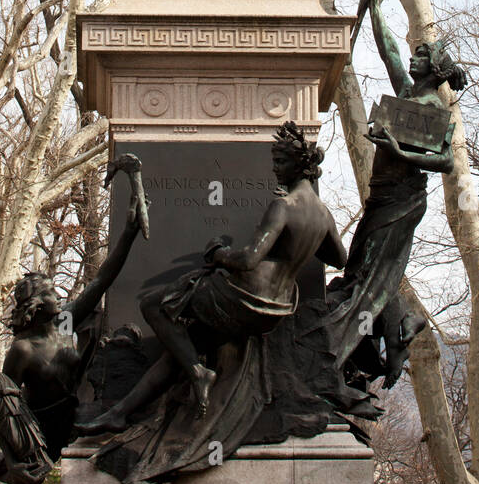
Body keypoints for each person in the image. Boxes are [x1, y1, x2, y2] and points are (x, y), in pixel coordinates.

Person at [78, 121, 346, 433]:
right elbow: (338, 259)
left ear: (300, 164)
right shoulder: (322, 213)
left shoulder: (283, 206)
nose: (275, 170)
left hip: (244, 296)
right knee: (184, 345)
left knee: (154, 305)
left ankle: (199, 373)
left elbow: (247, 260)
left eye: (281, 162)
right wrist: (304, 243)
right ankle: (121, 413)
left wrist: (218, 252)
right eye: (274, 162)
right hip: (276, 307)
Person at [0, 155, 149, 484]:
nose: (57, 295)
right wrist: (14, 448)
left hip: (71, 411)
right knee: (33, 470)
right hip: (38, 425)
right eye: (49, 293)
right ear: (35, 306)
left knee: (38, 473)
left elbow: (104, 279)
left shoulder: (65, 323)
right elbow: (6, 405)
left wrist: (127, 234)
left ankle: (0, 474)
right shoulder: (22, 350)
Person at [326, 0, 467, 369]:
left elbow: (446, 162)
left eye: (421, 55)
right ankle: (400, 316)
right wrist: (375, 7)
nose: (412, 57)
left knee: (369, 269)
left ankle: (393, 325)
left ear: (435, 69)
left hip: (404, 200)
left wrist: (399, 149)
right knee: (361, 266)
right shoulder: (407, 93)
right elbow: (388, 49)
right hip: (381, 193)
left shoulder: (436, 112)